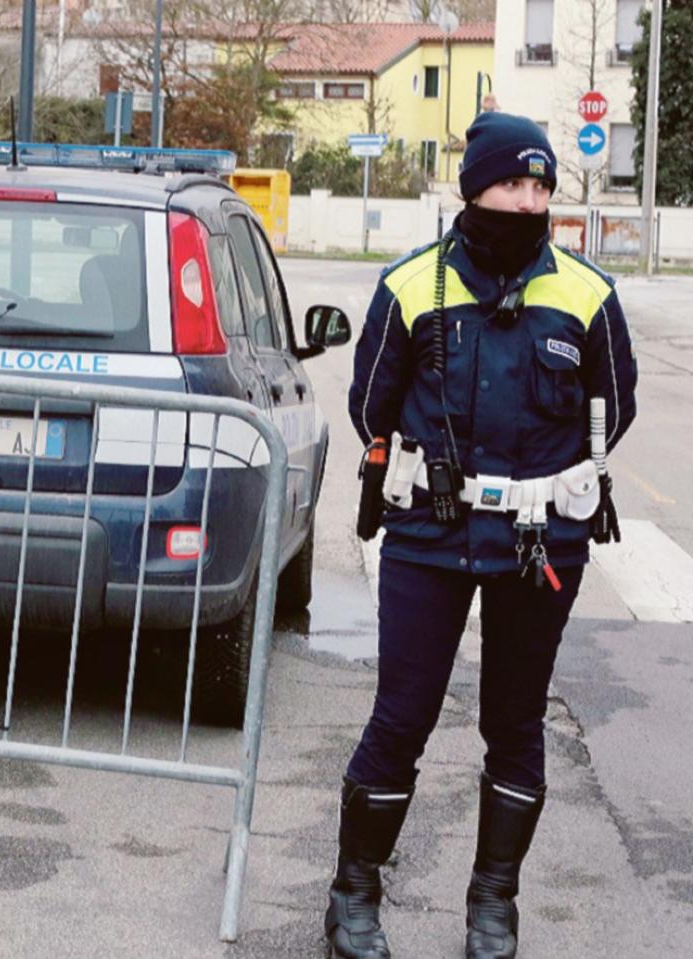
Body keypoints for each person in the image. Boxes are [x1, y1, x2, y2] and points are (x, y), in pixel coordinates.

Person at [329, 112, 637, 959]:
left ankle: (493, 906)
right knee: (404, 714)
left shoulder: (587, 295)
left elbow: (616, 408)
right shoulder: (409, 287)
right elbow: (369, 403)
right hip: (429, 535)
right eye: (512, 184)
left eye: (541, 187)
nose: (528, 200)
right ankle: (353, 893)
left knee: (516, 721)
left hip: (539, 544)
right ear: (475, 189)